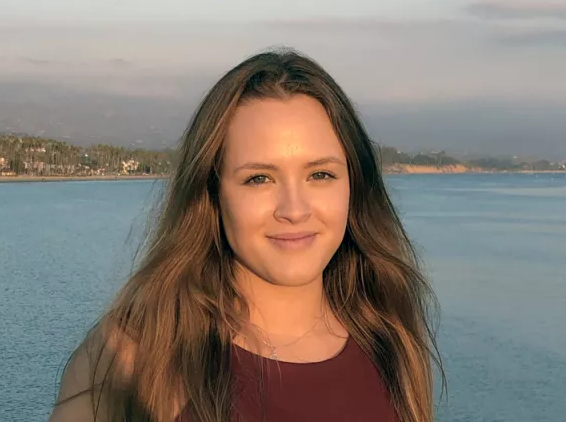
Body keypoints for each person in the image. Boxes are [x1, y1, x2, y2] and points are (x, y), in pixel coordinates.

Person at [48, 48, 445, 422]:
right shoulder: (137, 352)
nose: (294, 209)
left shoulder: (392, 340)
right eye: (259, 178)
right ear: (214, 193)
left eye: (320, 174)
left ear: (353, 186)